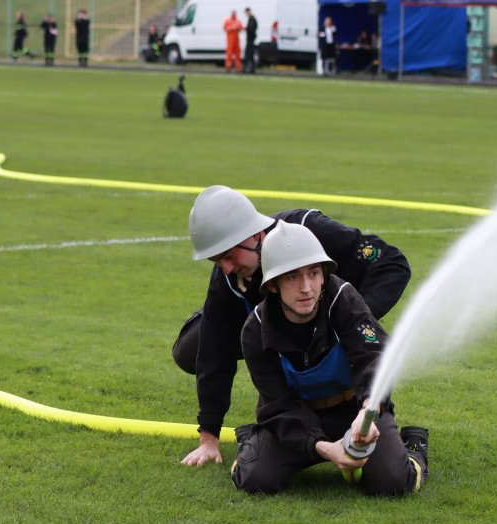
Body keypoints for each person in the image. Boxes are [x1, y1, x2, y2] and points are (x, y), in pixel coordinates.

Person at [175, 185, 412, 467]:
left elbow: (392, 264)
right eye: (217, 261)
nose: (225, 268)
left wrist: (352, 323)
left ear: (253, 235)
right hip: (276, 328)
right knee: (190, 350)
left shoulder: (310, 232)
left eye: (228, 256)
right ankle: (276, 411)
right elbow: (213, 352)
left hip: (340, 325)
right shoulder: (228, 276)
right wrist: (209, 437)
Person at [231, 222, 428, 495]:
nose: (307, 288)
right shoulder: (255, 330)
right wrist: (325, 448)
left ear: (324, 274)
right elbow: (277, 405)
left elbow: (374, 358)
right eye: (292, 277)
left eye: (314, 273)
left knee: (394, 483)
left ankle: (413, 445)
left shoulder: (344, 298)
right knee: (254, 479)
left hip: (355, 410)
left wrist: (367, 412)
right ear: (273, 285)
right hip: (298, 417)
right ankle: (251, 442)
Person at [243, 8, 258, 74]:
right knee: (251, 55)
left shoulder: (252, 19)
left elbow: (251, 29)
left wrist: (246, 29)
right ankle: (252, 69)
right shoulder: (251, 19)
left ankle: (245, 69)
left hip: (250, 40)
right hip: (250, 39)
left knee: (247, 54)